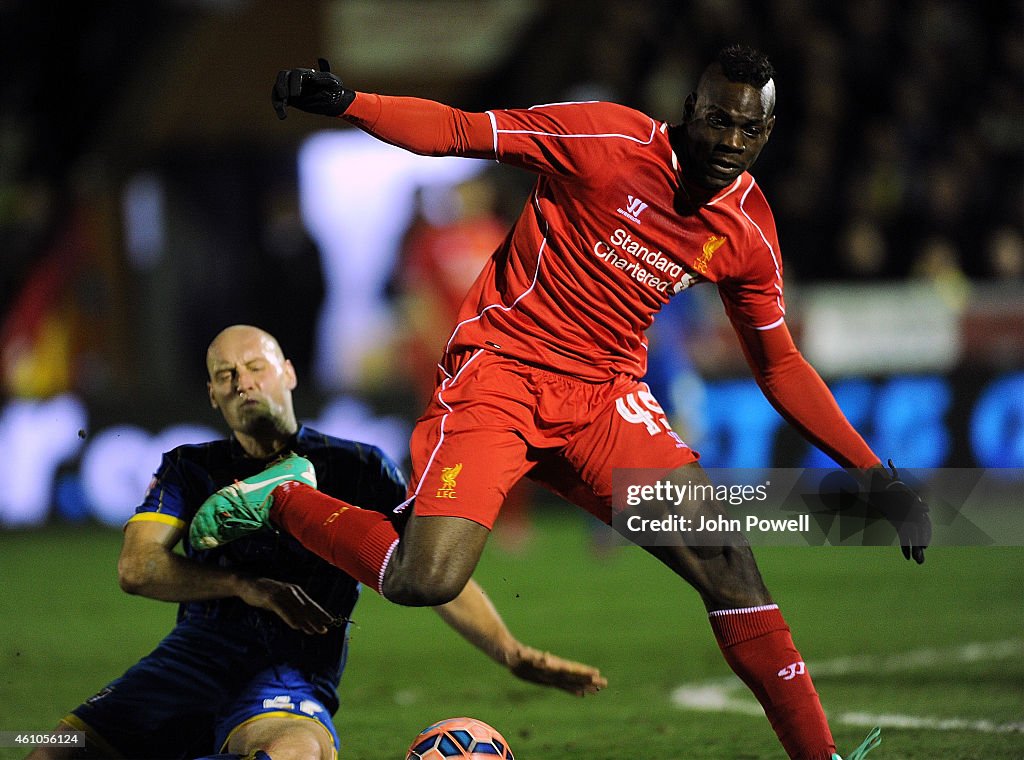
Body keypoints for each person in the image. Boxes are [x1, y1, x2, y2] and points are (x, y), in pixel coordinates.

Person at [193, 46, 930, 760]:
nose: (728, 140)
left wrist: (871, 472)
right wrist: (353, 103)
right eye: (716, 119)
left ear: (767, 133)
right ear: (688, 110)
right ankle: (286, 498)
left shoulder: (746, 232)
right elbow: (459, 130)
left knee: (728, 562)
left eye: (747, 128)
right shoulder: (602, 138)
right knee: (426, 579)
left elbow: (780, 366)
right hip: (501, 379)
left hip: (606, 400)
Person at [28, 324, 605, 760]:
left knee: (298, 754)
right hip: (188, 662)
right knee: (46, 749)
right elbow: (137, 568)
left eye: (255, 366)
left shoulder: (357, 467)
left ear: (289, 373)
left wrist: (510, 651)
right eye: (226, 375)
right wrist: (243, 586)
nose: (243, 382)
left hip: (292, 673)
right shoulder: (188, 467)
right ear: (211, 395)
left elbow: (428, 572)